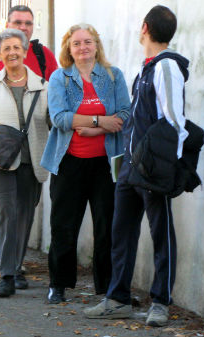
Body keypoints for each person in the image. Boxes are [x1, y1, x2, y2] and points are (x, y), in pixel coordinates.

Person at [84, 6, 189, 327]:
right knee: (122, 233)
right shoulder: (147, 68)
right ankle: (117, 299)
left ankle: (160, 302)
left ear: (144, 28)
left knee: (160, 233)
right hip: (130, 168)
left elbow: (174, 120)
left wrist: (168, 167)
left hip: (153, 168)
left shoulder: (167, 67)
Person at [0, 5, 59, 273]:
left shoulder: (43, 55)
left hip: (32, 148)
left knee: (25, 206)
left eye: (28, 23)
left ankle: (12, 260)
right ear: (6, 23)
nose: (23, 27)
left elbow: (54, 96)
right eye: (18, 22)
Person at [39, 23, 131, 304]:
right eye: (76, 43)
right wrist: (101, 120)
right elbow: (60, 118)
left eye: (88, 42)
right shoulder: (60, 78)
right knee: (64, 226)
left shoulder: (114, 77)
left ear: (96, 45)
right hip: (69, 163)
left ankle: (106, 288)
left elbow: (125, 113)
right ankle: (59, 284)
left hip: (105, 164)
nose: (83, 48)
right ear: (69, 48)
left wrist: (96, 129)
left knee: (107, 226)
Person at [0, 29, 50, 297]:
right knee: (6, 211)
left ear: (25, 51)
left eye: (17, 47)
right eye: (6, 49)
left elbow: (51, 125)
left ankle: (16, 267)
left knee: (25, 215)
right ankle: (6, 275)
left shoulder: (43, 86)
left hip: (32, 159)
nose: (12, 52)